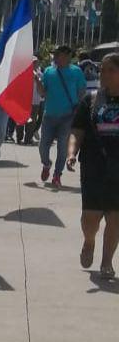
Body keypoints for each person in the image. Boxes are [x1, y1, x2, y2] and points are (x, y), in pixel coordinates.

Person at [67, 53, 119, 279]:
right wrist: (71, 153)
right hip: (94, 167)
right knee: (90, 219)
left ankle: (107, 262)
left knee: (115, 217)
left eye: (111, 70)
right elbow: (77, 132)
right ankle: (89, 241)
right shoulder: (90, 100)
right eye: (103, 70)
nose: (104, 75)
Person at [38, 45, 87, 188]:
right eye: (54, 55)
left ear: (67, 55)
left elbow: (82, 90)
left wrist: (77, 106)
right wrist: (37, 82)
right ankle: (46, 164)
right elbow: (43, 93)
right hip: (49, 115)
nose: (55, 57)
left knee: (62, 148)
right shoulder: (48, 71)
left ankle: (57, 175)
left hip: (68, 116)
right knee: (43, 146)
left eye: (57, 54)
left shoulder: (76, 72)